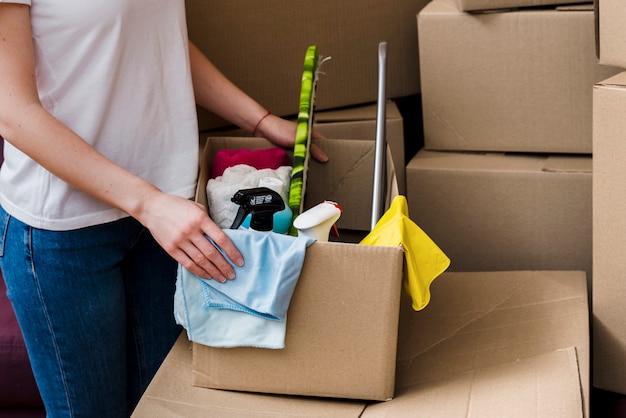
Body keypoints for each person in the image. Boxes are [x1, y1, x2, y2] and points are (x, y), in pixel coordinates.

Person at [0, 2, 328, 417]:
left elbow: (158, 39)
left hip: (165, 215)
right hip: (68, 233)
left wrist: (260, 121)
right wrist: (149, 203)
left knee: (162, 409)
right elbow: (13, 112)